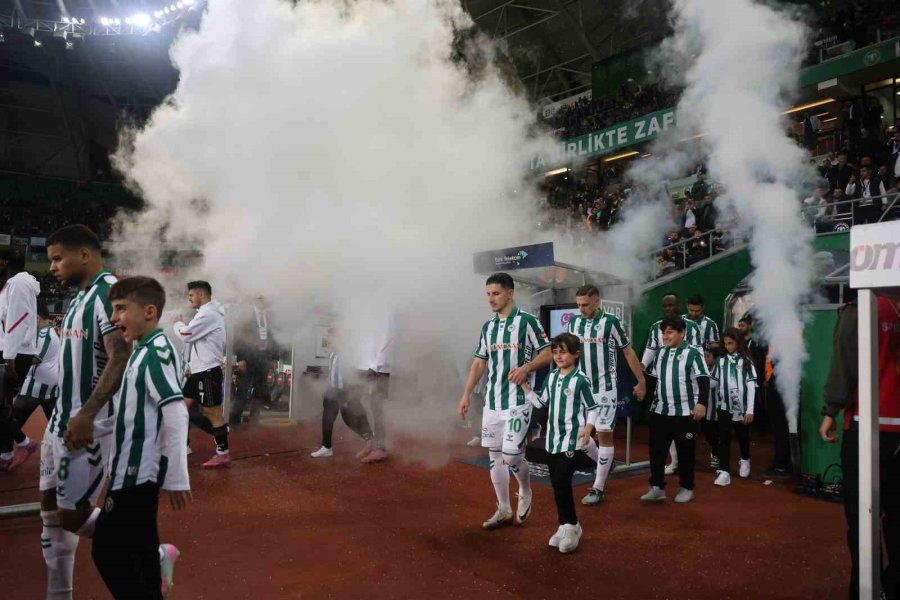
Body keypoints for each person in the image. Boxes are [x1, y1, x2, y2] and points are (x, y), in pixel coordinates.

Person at [39, 225, 177, 599]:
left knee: (72, 515)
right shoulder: (77, 298)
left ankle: (150, 553)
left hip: (89, 424)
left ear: (84, 254)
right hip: (59, 420)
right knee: (50, 513)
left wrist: (86, 413)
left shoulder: (106, 295)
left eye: (57, 258)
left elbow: (119, 356)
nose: (52, 267)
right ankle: (59, 594)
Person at [94, 276, 190, 599]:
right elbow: (131, 413)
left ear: (149, 312)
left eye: (121, 309)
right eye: (112, 309)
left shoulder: (156, 352)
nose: (113, 317)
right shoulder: (140, 350)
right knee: (140, 556)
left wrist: (177, 476)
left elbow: (176, 412)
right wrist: (93, 430)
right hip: (127, 473)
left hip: (137, 475)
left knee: (107, 552)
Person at [819, 293, 900, 600]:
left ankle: (866, 589)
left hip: (868, 427)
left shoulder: (862, 307)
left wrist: (830, 410)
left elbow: (843, 362)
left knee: (863, 518)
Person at [458, 272, 552, 530]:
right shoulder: (488, 327)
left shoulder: (528, 322)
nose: (491, 299)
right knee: (494, 457)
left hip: (518, 401)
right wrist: (466, 394)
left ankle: (525, 491)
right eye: (488, 294)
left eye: (496, 293)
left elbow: (548, 353)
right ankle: (503, 509)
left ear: (510, 293)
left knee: (511, 456)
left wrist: (527, 368)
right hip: (492, 402)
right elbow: (479, 362)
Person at [567, 285, 646, 505]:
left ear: (597, 301)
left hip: (604, 388)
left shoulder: (610, 322)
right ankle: (605, 462)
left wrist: (640, 380)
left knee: (603, 435)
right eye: (578, 305)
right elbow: (571, 353)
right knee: (580, 438)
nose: (581, 309)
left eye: (585, 304)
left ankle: (598, 487)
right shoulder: (574, 323)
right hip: (581, 387)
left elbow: (628, 351)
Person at [520, 333, 598, 554]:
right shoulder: (552, 377)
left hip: (571, 441)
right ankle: (564, 525)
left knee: (563, 480)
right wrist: (525, 388)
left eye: (563, 352)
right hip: (552, 441)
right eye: (555, 352)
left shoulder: (581, 380)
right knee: (556, 483)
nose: (558, 356)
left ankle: (573, 526)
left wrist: (589, 428)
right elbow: (542, 402)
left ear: (576, 354)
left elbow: (592, 408)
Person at [641, 316, 709, 504]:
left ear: (682, 333)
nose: (665, 336)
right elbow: (653, 378)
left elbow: (703, 379)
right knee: (656, 452)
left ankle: (687, 487)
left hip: (685, 412)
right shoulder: (660, 352)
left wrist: (702, 403)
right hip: (660, 411)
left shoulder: (694, 353)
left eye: (669, 332)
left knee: (686, 452)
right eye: (663, 332)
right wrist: (642, 389)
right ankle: (657, 488)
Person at [642, 293, 703, 475]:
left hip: (687, 383)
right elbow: (651, 349)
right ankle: (673, 462)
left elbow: (698, 353)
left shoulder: (691, 327)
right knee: (663, 426)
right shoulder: (656, 328)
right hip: (661, 378)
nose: (668, 308)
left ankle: (685, 470)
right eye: (665, 306)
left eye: (671, 305)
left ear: (678, 306)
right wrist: (642, 365)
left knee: (684, 429)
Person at [173, 281, 229, 469]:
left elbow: (186, 335)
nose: (189, 299)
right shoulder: (206, 313)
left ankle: (223, 452)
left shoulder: (209, 314)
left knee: (212, 413)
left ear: (202, 295)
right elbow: (197, 341)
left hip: (208, 372)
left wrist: (177, 323)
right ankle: (182, 445)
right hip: (198, 371)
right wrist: (191, 364)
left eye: (191, 295)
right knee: (182, 407)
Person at [4, 303, 58, 472]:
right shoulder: (50, 333)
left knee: (8, 420)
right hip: (49, 387)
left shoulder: (43, 334)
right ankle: (65, 456)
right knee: (56, 425)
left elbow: (34, 359)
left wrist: (11, 360)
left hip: (36, 387)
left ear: (36, 317)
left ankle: (8, 453)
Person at [0, 248, 40, 469]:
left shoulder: (18, 284)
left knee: (2, 407)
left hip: (14, 354)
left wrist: (9, 358)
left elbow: (17, 320)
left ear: (4, 262)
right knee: (3, 407)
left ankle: (23, 443)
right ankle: (5, 454)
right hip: (12, 351)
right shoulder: (12, 284)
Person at [310, 327, 374, 458]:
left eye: (330, 338)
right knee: (327, 417)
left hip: (347, 391)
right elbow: (332, 373)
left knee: (350, 418)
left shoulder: (349, 354)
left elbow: (359, 373)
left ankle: (370, 439)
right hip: (333, 390)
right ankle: (326, 447)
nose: (327, 341)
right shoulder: (332, 354)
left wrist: (358, 390)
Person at [711, 328, 758, 486]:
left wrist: (750, 409)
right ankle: (724, 472)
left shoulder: (747, 361)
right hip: (724, 406)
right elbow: (714, 382)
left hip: (742, 407)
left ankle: (745, 459)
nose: (728, 346)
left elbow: (751, 386)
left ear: (738, 343)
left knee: (742, 435)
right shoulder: (720, 361)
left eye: (731, 343)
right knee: (723, 438)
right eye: (726, 344)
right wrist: (698, 381)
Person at [357, 316, 394, 464]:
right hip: (371, 367)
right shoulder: (373, 313)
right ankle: (373, 443)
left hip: (379, 370)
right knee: (368, 405)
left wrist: (376, 365)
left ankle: (380, 448)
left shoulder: (387, 315)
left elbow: (390, 339)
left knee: (377, 408)